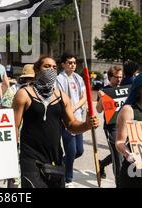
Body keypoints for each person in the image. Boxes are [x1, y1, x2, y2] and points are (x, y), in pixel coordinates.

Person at [13, 55, 99, 188]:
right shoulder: (24, 94)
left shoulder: (62, 97)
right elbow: (14, 126)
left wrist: (87, 125)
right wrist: (11, 153)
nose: (51, 70)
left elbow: (71, 125)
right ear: (37, 70)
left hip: (55, 158)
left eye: (54, 67)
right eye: (46, 66)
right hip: (30, 158)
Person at [55, 52, 87, 187]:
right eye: (69, 62)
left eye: (74, 62)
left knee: (79, 151)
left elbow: (84, 96)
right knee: (71, 151)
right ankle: (68, 179)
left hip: (78, 118)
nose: (73, 65)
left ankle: (60, 165)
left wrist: (74, 108)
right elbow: (60, 98)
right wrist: (69, 110)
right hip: (66, 120)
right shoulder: (59, 79)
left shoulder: (78, 78)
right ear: (63, 64)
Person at [96, 65, 123, 185]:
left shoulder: (124, 89)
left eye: (121, 77)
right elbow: (98, 110)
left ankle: (101, 164)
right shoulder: (104, 91)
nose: (119, 80)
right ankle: (119, 183)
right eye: (116, 77)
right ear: (110, 77)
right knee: (118, 157)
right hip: (111, 128)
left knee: (119, 153)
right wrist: (102, 98)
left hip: (124, 127)